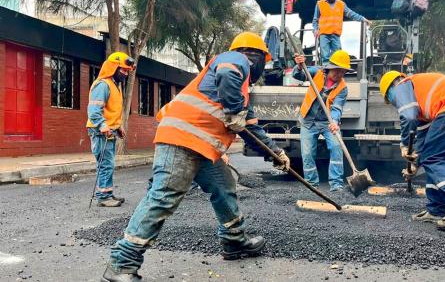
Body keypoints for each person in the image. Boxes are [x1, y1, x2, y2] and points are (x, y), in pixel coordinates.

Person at [101, 32, 290, 281]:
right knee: (163, 197)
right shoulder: (235, 59)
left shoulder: (241, 91)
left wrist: (276, 152)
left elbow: (250, 129)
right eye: (262, 61)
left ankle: (234, 242)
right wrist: (235, 112)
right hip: (181, 140)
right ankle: (122, 263)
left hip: (202, 149)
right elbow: (228, 79)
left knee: (224, 187)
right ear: (255, 57)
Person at [379, 70, 445, 229]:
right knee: (440, 160)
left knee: (434, 159)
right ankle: (435, 209)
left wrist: (403, 145)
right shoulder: (422, 99)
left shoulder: (402, 86)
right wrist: (415, 163)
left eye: (392, 100)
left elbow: (408, 116)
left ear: (390, 91)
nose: (396, 104)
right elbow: (423, 140)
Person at [293, 50, 351, 192]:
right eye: (336, 71)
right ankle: (312, 185)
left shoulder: (343, 88)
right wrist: (300, 66)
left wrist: (335, 122)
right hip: (308, 120)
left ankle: (336, 185)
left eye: (342, 72)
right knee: (307, 153)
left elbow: (337, 108)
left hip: (327, 122)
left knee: (337, 147)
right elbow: (298, 75)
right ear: (330, 67)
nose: (339, 75)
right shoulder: (317, 72)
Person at [86, 52, 135, 207]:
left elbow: (112, 109)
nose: (125, 73)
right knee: (105, 164)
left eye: (127, 71)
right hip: (100, 131)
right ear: (113, 67)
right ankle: (103, 196)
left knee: (108, 163)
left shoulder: (115, 85)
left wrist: (118, 126)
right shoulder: (103, 85)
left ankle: (107, 193)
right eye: (123, 70)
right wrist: (103, 126)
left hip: (109, 130)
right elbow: (94, 111)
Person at [313, 0, 372, 65]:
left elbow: (351, 14)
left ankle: (336, 71)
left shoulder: (341, 4)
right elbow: (315, 20)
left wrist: (363, 19)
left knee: (337, 55)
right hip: (324, 34)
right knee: (325, 56)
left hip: (335, 34)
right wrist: (315, 30)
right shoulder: (319, 3)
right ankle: (326, 74)